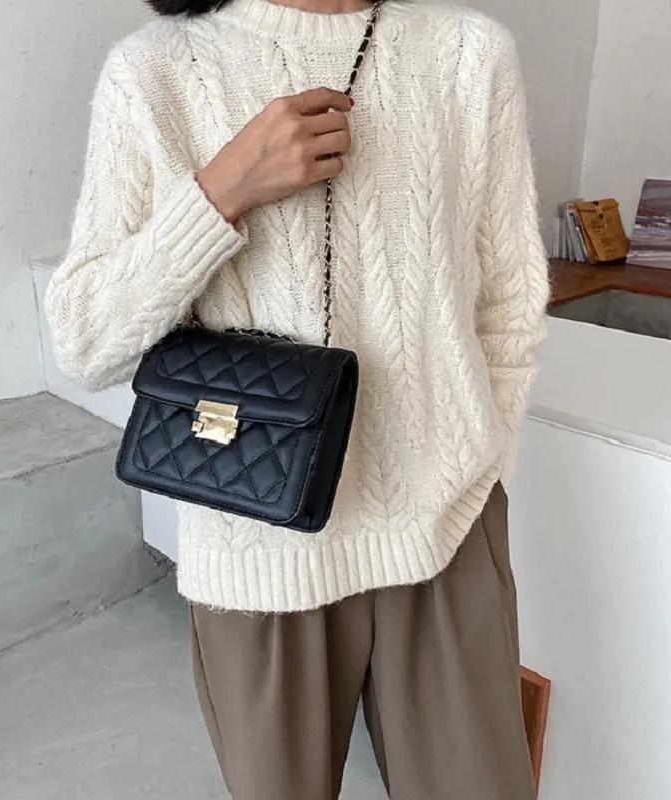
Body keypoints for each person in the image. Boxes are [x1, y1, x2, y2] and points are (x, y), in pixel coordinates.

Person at [44, 0, 550, 797]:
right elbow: (85, 340)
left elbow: (510, 305)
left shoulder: (468, 55)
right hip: (258, 551)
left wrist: (485, 466)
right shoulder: (156, 71)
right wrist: (222, 190)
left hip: (447, 531)